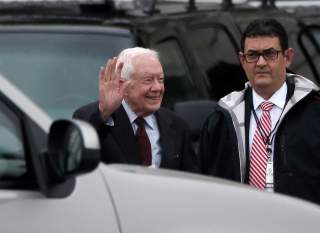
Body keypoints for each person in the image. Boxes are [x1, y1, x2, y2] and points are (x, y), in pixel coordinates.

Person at [199, 18, 320, 204]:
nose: (261, 63)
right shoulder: (221, 119)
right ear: (242, 60)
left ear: (287, 57)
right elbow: (204, 184)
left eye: (270, 54)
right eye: (253, 55)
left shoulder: (314, 112)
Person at [73, 47, 199, 173]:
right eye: (148, 80)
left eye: (160, 80)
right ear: (123, 85)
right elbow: (77, 159)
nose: (157, 88)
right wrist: (104, 113)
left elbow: (192, 180)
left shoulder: (177, 126)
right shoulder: (97, 117)